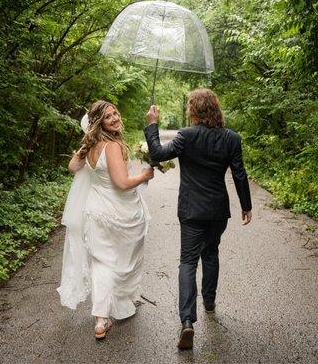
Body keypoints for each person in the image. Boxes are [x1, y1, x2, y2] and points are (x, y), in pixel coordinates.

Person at [144, 88, 252, 350]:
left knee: (188, 261)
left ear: (193, 109)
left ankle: (188, 322)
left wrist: (152, 124)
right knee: (212, 252)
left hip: (192, 210)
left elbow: (158, 153)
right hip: (217, 210)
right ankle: (210, 301)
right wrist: (246, 206)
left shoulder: (186, 136)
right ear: (215, 108)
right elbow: (239, 174)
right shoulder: (232, 138)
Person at [57, 100, 154, 340]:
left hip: (95, 210)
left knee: (102, 261)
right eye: (108, 116)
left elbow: (72, 167)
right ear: (99, 122)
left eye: (115, 113)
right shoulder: (111, 146)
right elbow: (122, 183)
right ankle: (121, 302)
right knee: (121, 260)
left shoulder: (90, 146)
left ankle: (101, 319)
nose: (115, 118)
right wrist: (143, 175)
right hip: (117, 212)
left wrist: (85, 147)